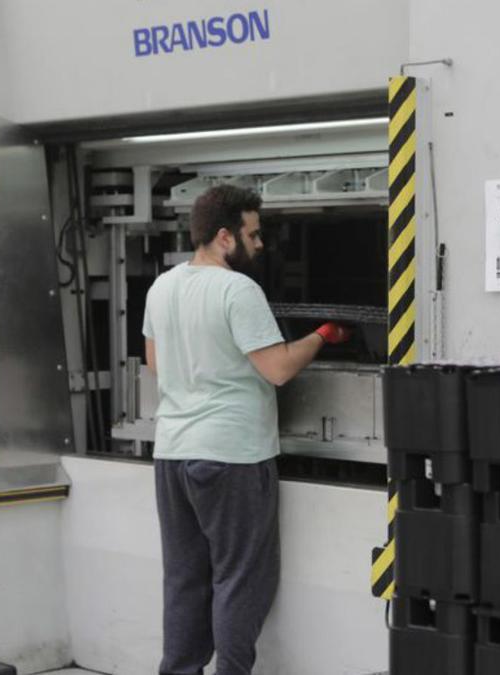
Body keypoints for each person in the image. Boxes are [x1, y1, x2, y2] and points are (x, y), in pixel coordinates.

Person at [142, 184, 351, 675]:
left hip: (172, 453)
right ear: (224, 236)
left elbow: (155, 364)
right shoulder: (238, 289)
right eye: (253, 234)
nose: (260, 245)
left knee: (185, 579)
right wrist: (322, 336)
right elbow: (277, 369)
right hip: (231, 455)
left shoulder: (162, 286)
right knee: (239, 579)